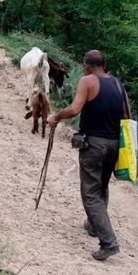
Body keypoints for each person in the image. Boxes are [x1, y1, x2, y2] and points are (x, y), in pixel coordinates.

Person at [48, 49, 130, 261]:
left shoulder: (87, 81)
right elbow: (126, 116)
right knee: (101, 187)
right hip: (114, 144)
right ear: (104, 65)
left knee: (90, 193)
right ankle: (94, 225)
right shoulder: (118, 85)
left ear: (87, 65)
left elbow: (75, 109)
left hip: (93, 144)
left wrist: (57, 116)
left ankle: (109, 242)